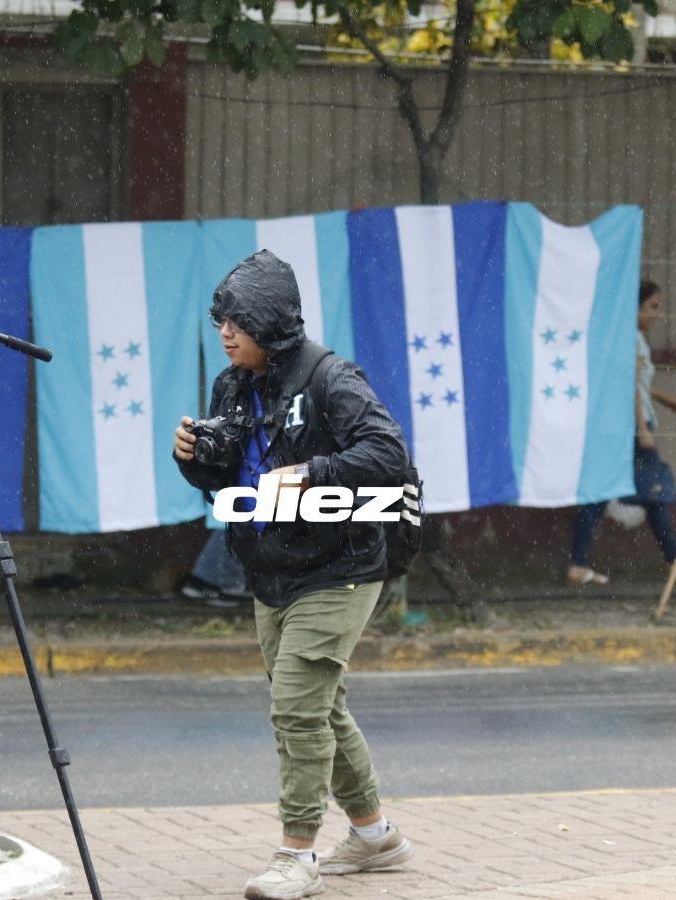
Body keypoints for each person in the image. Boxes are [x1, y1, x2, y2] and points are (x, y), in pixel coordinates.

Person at [173, 249, 414, 900]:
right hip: (271, 568)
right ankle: (374, 836)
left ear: (272, 324)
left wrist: (314, 472)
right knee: (318, 707)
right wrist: (198, 458)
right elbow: (228, 480)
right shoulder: (233, 385)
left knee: (297, 710)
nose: (225, 333)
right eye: (220, 320)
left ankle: (295, 856)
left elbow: (389, 454)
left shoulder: (331, 378)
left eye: (238, 321)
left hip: (341, 567)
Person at [566, 280, 676, 585]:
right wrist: (642, 428)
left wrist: (661, 397)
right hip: (632, 428)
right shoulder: (631, 339)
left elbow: (638, 383)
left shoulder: (625, 338)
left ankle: (579, 564)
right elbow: (629, 385)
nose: (656, 315)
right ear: (633, 308)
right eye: (652, 307)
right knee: (654, 493)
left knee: (603, 493)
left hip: (621, 427)